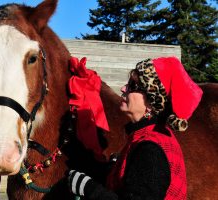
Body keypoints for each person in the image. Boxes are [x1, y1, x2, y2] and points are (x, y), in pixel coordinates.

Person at [67, 57, 203, 199]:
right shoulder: (149, 136)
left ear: (151, 101)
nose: (123, 88)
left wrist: (90, 189)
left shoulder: (150, 149)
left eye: (132, 86)